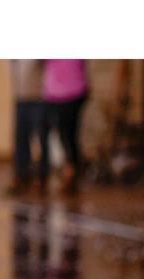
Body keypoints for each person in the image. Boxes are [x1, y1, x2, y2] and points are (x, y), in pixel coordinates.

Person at [43, 59, 89, 194]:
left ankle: (71, 170)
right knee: (64, 134)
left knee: (69, 134)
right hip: (56, 92)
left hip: (72, 92)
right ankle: (70, 169)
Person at [8, 60, 49, 194]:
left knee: (41, 138)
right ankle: (22, 174)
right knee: (20, 138)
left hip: (39, 98)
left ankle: (42, 177)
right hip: (21, 97)